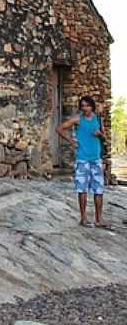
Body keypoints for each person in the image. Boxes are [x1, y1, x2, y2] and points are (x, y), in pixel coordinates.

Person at [56, 95, 107, 227]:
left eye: (87, 105)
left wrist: (100, 135)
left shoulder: (98, 119)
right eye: (83, 106)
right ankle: (83, 218)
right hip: (82, 159)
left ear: (92, 106)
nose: (85, 108)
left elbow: (104, 138)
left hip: (96, 159)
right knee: (82, 189)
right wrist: (71, 141)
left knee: (99, 190)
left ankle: (99, 219)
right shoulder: (78, 119)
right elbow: (60, 129)